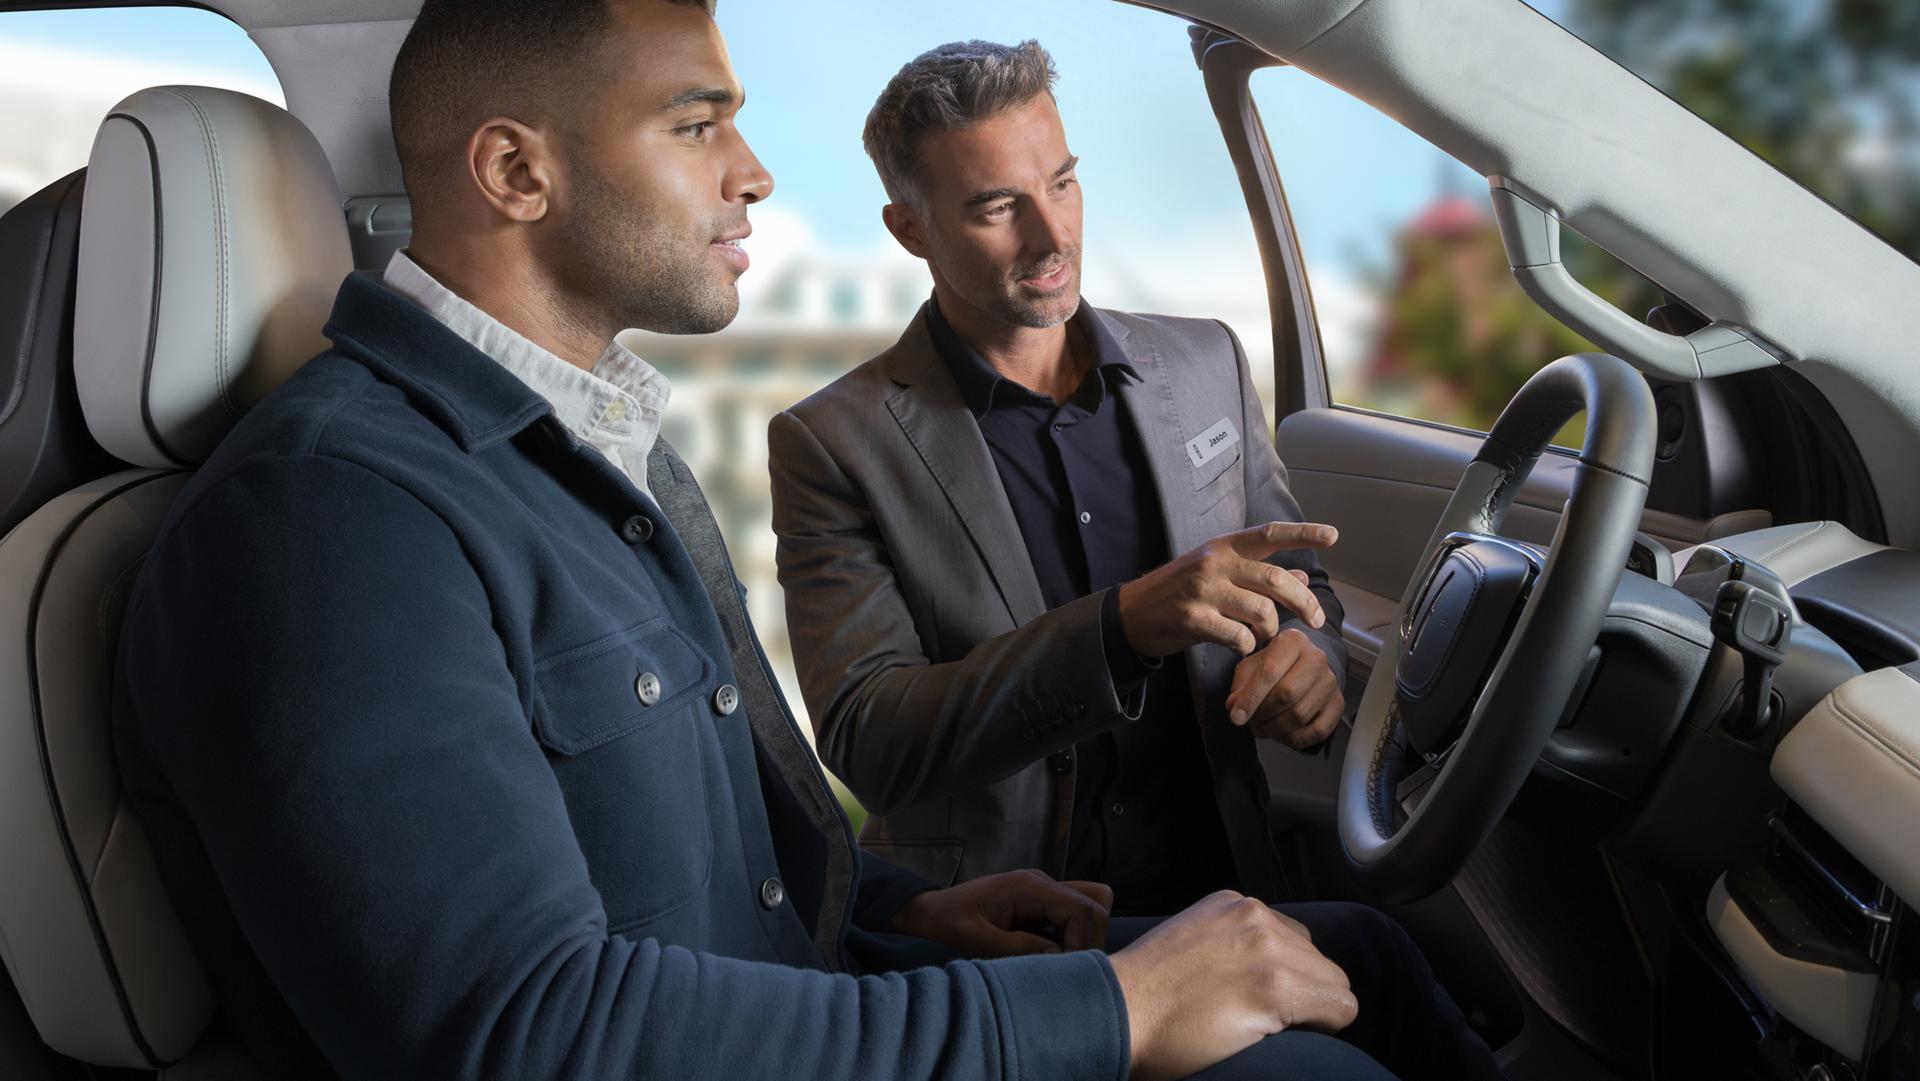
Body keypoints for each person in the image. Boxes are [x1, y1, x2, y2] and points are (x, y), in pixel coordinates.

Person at [112, 2, 1400, 1079]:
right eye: (697, 123)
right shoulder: (325, 520)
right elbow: (519, 1031)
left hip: (824, 982)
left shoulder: (601, 451)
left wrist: (900, 909)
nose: (755, 172)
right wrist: (1113, 1012)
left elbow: (719, 867)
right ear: (515, 173)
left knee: (1363, 954)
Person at [768, 39, 1504, 1081]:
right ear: (910, 229)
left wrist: (1309, 656)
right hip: (1027, 945)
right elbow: (869, 737)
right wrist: (1117, 629)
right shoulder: (832, 442)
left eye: (1063, 182)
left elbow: (1302, 583)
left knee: (1388, 961)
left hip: (1227, 879)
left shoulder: (1203, 361)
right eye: (998, 207)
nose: (1052, 234)